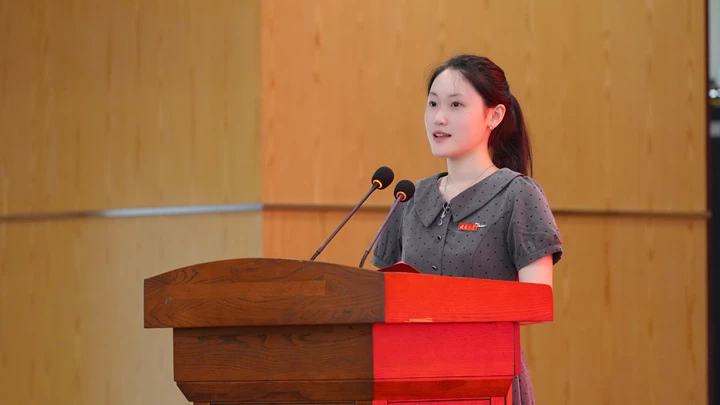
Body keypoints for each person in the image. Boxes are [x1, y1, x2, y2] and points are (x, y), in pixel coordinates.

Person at [370, 54, 563, 405]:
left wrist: (452, 303)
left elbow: (537, 301)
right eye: (433, 104)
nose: (439, 118)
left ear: (494, 115)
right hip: (407, 380)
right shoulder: (409, 197)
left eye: (456, 105)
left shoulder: (518, 194)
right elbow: (378, 297)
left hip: (487, 379)